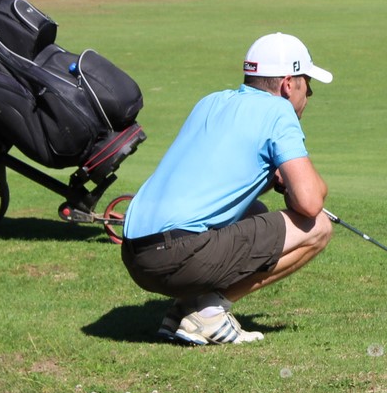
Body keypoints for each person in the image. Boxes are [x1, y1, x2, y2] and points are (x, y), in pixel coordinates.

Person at [120, 32, 334, 346]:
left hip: (136, 255)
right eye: (307, 82)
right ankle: (209, 313)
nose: (310, 92)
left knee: (254, 211)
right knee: (318, 227)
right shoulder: (279, 111)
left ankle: (183, 310)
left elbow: (219, 182)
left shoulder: (211, 102)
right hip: (177, 255)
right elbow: (310, 202)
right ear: (289, 84)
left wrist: (270, 178)